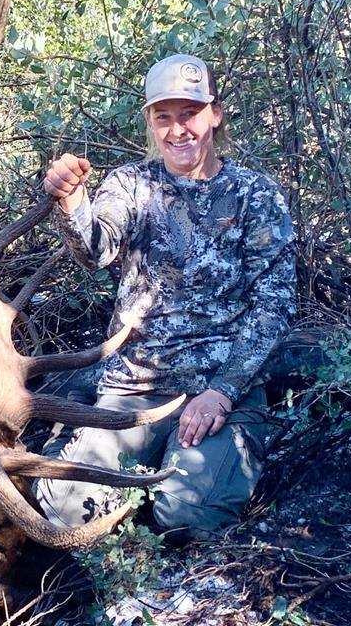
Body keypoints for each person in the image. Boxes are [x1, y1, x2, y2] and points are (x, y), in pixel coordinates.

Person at [35, 53, 296, 543]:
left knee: (186, 517)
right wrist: (72, 202)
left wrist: (224, 390)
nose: (178, 130)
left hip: (220, 391)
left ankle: (212, 457)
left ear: (214, 114)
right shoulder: (130, 184)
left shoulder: (255, 196)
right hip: (134, 388)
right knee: (62, 511)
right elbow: (97, 249)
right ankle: (109, 449)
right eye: (164, 117)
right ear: (150, 122)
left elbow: (274, 306)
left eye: (189, 114)